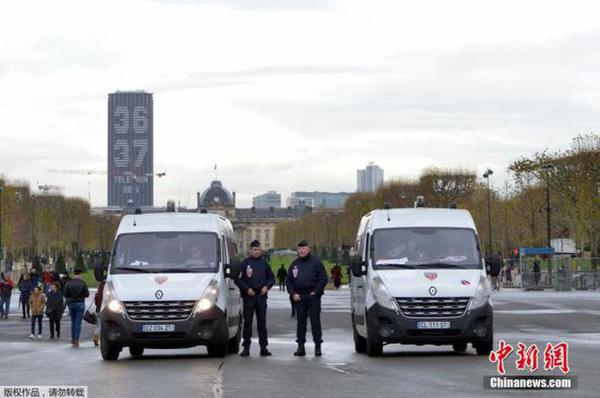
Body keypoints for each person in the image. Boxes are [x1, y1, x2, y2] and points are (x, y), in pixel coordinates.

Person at [286, 240, 328, 357]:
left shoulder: (316, 262)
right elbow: (289, 281)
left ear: (309, 249)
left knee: (315, 322)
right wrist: (293, 293)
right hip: (299, 297)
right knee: (301, 323)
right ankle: (300, 346)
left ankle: (318, 346)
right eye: (299, 249)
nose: (301, 251)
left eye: (304, 249)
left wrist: (316, 291)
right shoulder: (294, 264)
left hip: (313, 296)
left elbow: (323, 278)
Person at [235, 240, 275, 357]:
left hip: (261, 296)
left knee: (262, 323)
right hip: (249, 296)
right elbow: (238, 279)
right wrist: (246, 289)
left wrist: (267, 287)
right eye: (254, 250)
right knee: (247, 322)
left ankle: (263, 347)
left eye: (258, 250)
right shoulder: (245, 263)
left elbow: (271, 278)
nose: (257, 252)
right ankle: (246, 347)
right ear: (250, 250)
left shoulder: (264, 263)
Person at [63, 269, 89, 347]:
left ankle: (73, 338)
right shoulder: (83, 283)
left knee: (73, 322)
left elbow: (65, 294)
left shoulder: (69, 283)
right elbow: (87, 294)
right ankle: (76, 340)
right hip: (80, 303)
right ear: (80, 274)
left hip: (71, 304)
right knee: (78, 322)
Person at [93, 275, 106, 346]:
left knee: (98, 325)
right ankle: (96, 338)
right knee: (100, 325)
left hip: (98, 308)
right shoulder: (106, 287)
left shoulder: (99, 288)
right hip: (103, 309)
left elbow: (96, 300)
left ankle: (96, 338)